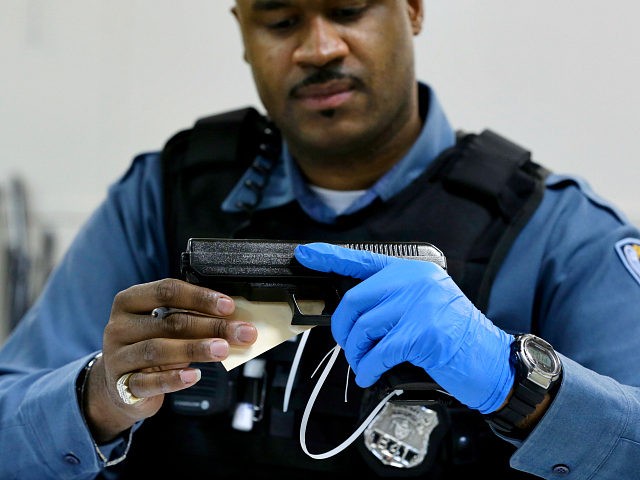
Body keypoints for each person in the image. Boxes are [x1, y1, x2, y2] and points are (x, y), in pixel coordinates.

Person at [1, 1, 640, 478]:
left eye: (348, 10)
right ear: (243, 34)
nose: (319, 47)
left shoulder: (553, 230)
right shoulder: (161, 198)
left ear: (412, 10)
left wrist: (520, 387)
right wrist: (97, 397)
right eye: (280, 21)